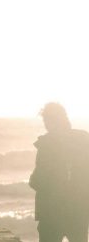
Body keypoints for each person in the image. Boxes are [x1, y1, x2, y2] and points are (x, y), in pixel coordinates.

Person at [29, 103, 89, 242]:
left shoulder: (47, 144)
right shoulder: (83, 139)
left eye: (46, 121)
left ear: (52, 121)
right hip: (78, 209)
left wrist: (32, 181)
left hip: (52, 211)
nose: (46, 125)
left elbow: (39, 179)